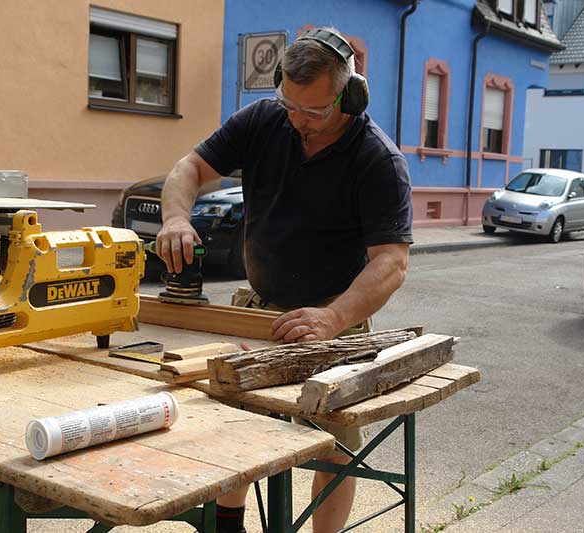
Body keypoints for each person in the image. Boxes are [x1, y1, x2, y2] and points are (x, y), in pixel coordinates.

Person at [155, 27, 413, 533]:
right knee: (236, 422)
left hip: (333, 317)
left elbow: (391, 262)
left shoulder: (378, 160)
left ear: (351, 96)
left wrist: (333, 316)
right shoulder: (263, 120)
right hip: (260, 304)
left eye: (314, 112)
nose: (298, 120)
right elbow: (189, 167)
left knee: (333, 444)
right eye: (289, 104)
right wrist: (175, 219)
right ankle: (229, 525)